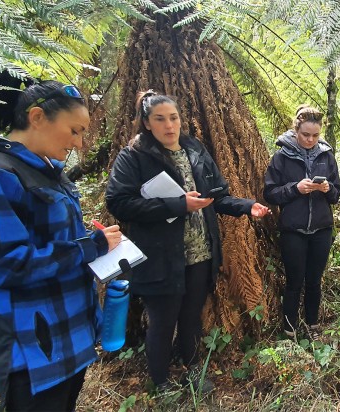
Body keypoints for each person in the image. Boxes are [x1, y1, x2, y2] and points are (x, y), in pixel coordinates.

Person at [0, 71, 122, 411]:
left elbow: (54, 241)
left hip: (69, 333)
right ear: (37, 117)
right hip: (33, 348)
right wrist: (91, 247)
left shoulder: (47, 171)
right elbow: (3, 265)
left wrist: (92, 243)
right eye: (74, 131)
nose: (77, 143)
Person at [105, 91, 270, 392]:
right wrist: (177, 205)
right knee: (162, 321)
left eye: (174, 118)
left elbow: (216, 196)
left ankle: (194, 370)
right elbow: (119, 202)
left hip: (200, 253)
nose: (169, 125)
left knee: (191, 316)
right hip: (160, 256)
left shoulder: (194, 149)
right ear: (146, 123)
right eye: (160, 119)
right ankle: (162, 382)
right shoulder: (135, 156)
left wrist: (247, 206)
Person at [263, 106, 340, 339]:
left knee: (314, 281)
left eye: (315, 135)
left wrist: (327, 189)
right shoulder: (281, 157)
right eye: (305, 134)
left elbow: (337, 195)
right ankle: (290, 330)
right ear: (296, 130)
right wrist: (295, 188)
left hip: (322, 229)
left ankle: (313, 326)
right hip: (293, 230)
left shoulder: (326, 156)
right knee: (294, 282)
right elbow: (270, 193)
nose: (310, 139)